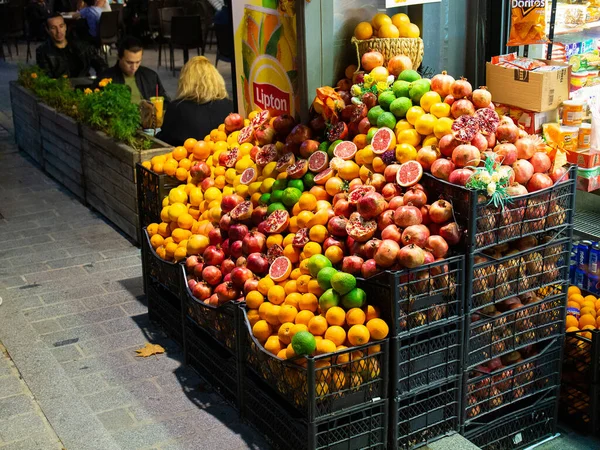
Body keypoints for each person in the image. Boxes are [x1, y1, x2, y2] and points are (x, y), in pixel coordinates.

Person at [157, 56, 232, 146]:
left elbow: (165, 139)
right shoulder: (229, 106)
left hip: (185, 158)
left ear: (185, 81)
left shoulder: (176, 108)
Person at [97, 36, 169, 104]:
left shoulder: (151, 76)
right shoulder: (105, 79)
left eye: (138, 62)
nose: (134, 67)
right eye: (129, 62)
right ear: (119, 57)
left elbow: (165, 101)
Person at [36, 14, 108, 78]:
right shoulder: (43, 51)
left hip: (83, 86)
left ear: (65, 27)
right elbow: (46, 77)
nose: (59, 31)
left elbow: (101, 64)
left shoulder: (82, 45)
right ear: (48, 30)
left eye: (61, 26)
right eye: (53, 28)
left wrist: (100, 81)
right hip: (61, 88)